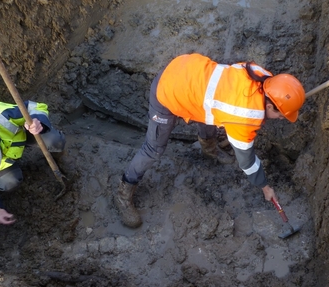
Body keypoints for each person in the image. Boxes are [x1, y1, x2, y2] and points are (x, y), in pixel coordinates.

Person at [114, 53, 306, 228]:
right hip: (168, 90)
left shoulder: (262, 75)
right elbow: (247, 161)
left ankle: (209, 149)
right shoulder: (244, 116)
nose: (282, 119)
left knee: (211, 111)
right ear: (271, 105)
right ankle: (124, 191)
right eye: (282, 116)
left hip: (189, 71)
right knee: (153, 149)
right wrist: (265, 187)